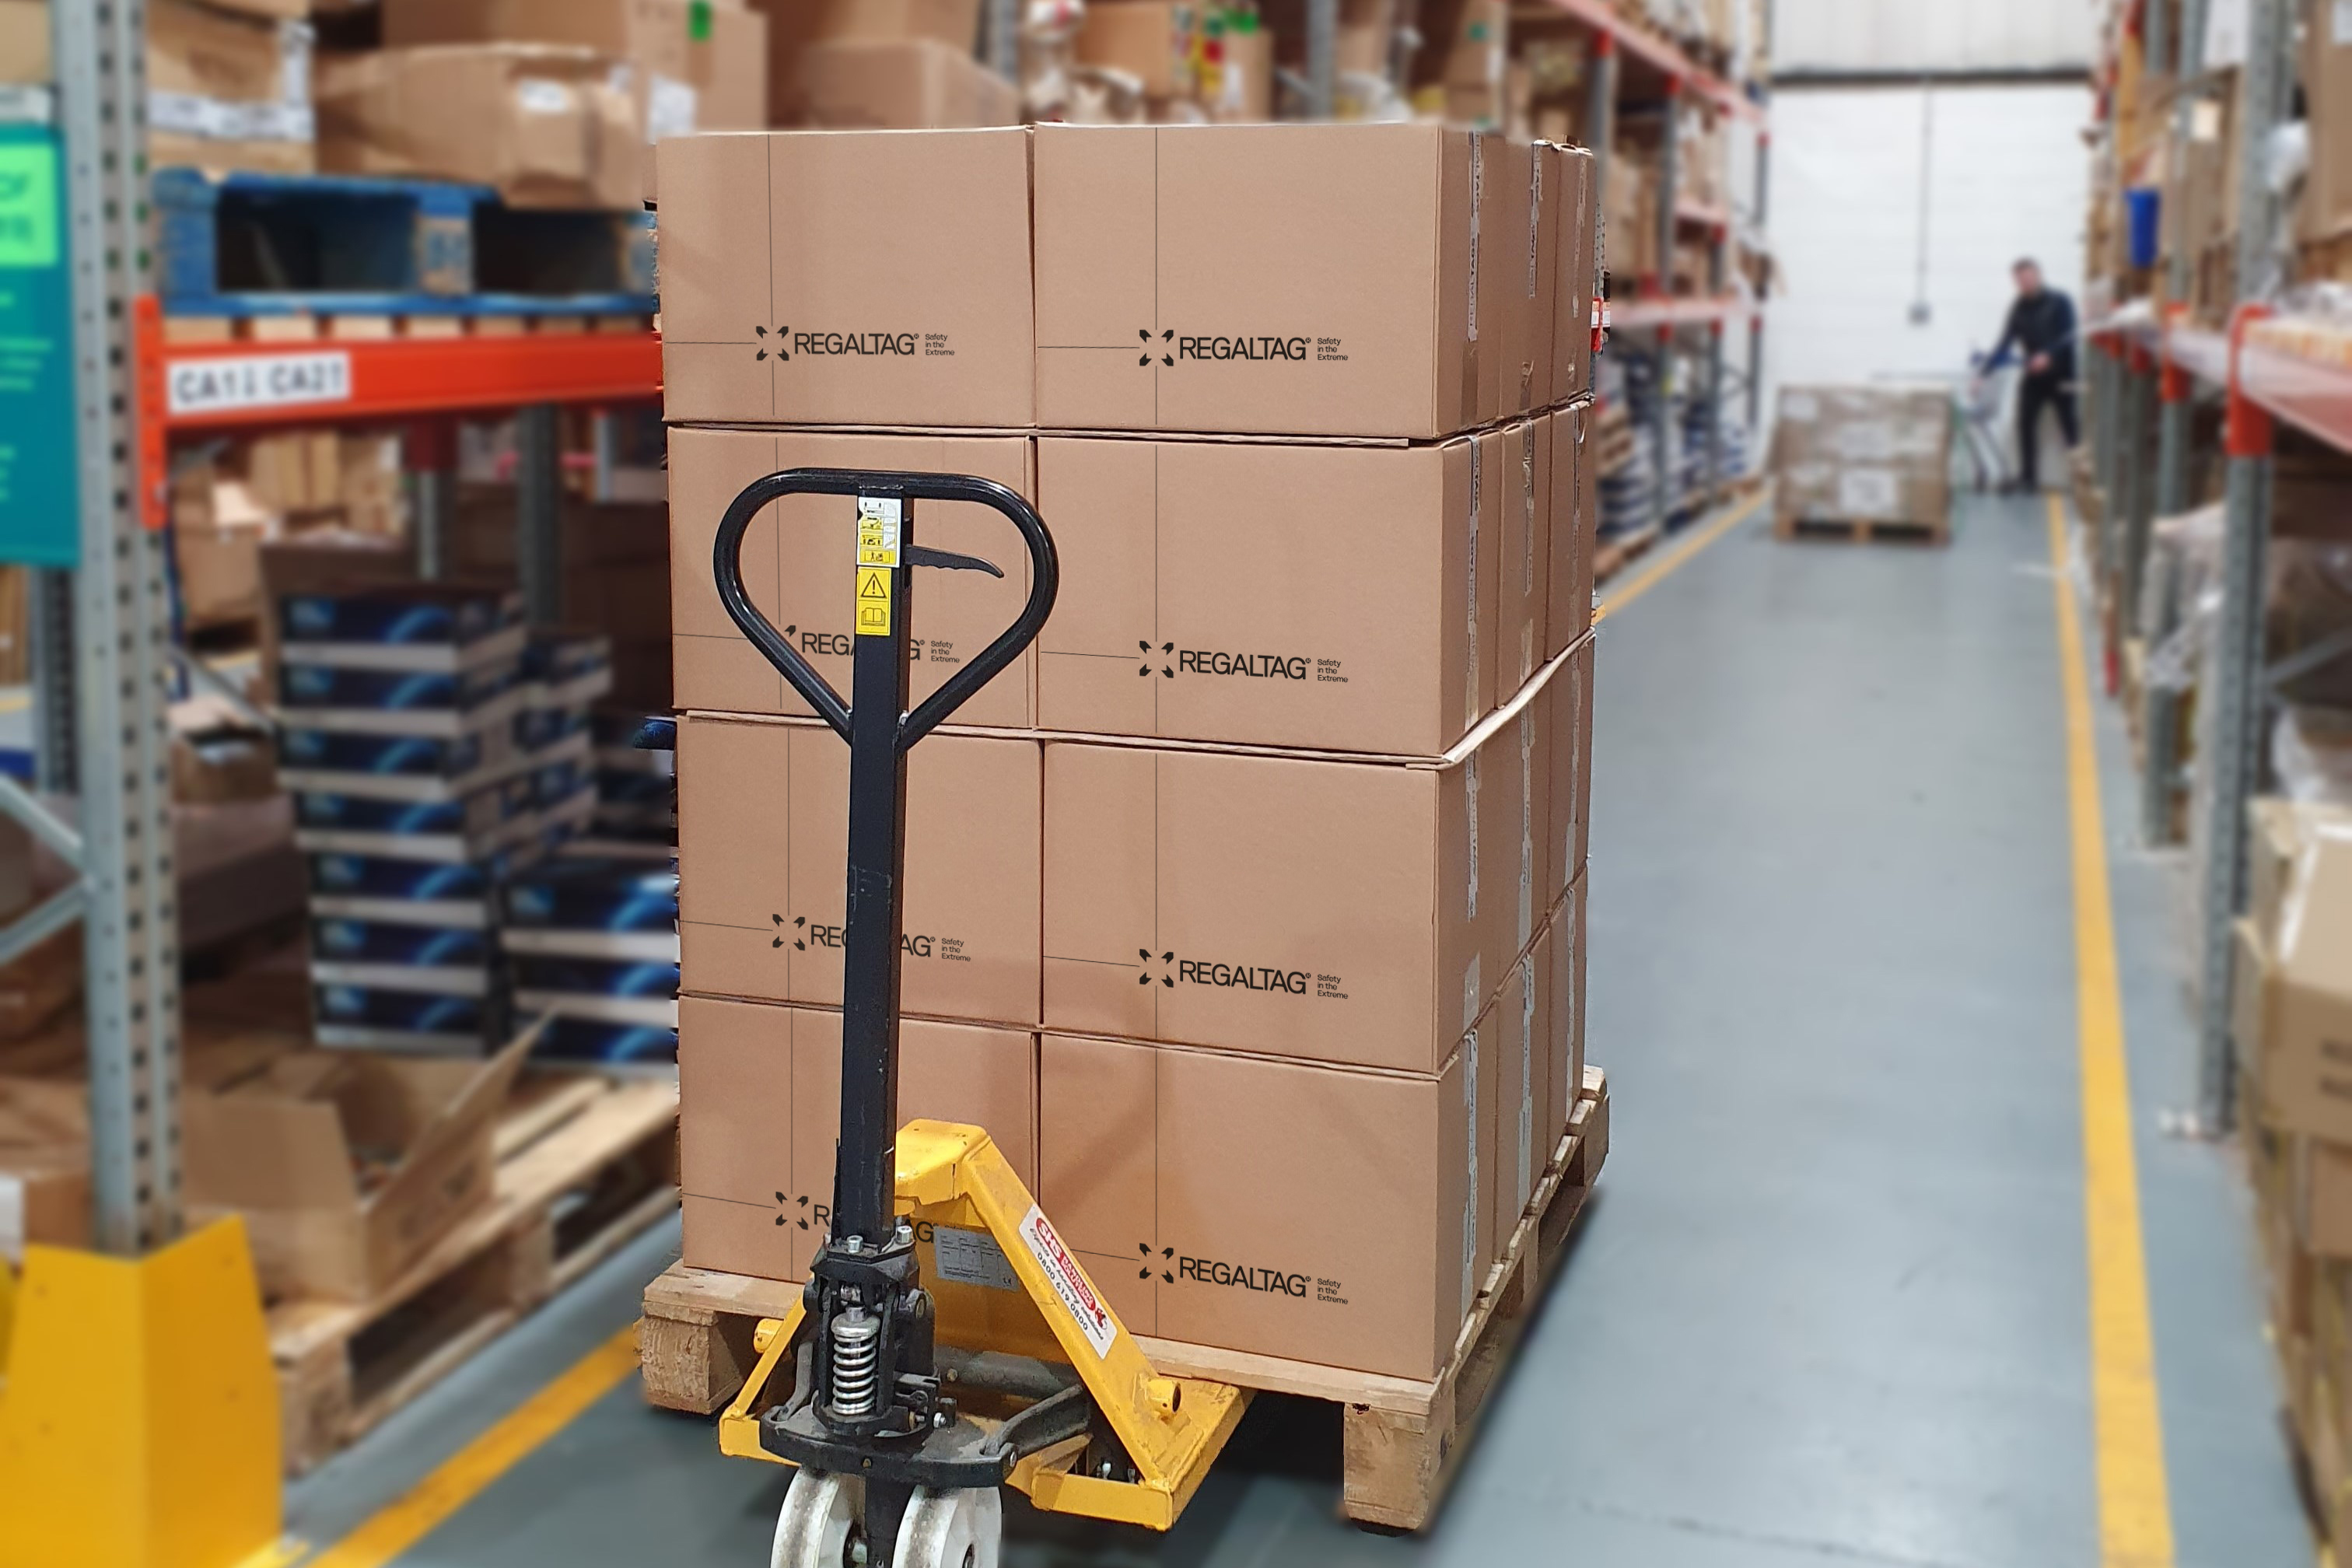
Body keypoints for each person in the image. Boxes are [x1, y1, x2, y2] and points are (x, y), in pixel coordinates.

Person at [1986, 258, 2078, 492]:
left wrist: (2048, 355)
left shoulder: (2060, 301)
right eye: (2020, 279)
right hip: (2034, 377)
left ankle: (2080, 480)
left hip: (2062, 375)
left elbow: (2069, 337)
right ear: (2016, 282)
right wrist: (1984, 371)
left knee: (2070, 427)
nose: (2025, 282)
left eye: (2029, 276)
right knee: (2024, 424)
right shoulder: (2018, 307)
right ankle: (2028, 477)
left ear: (2038, 275)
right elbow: (2005, 340)